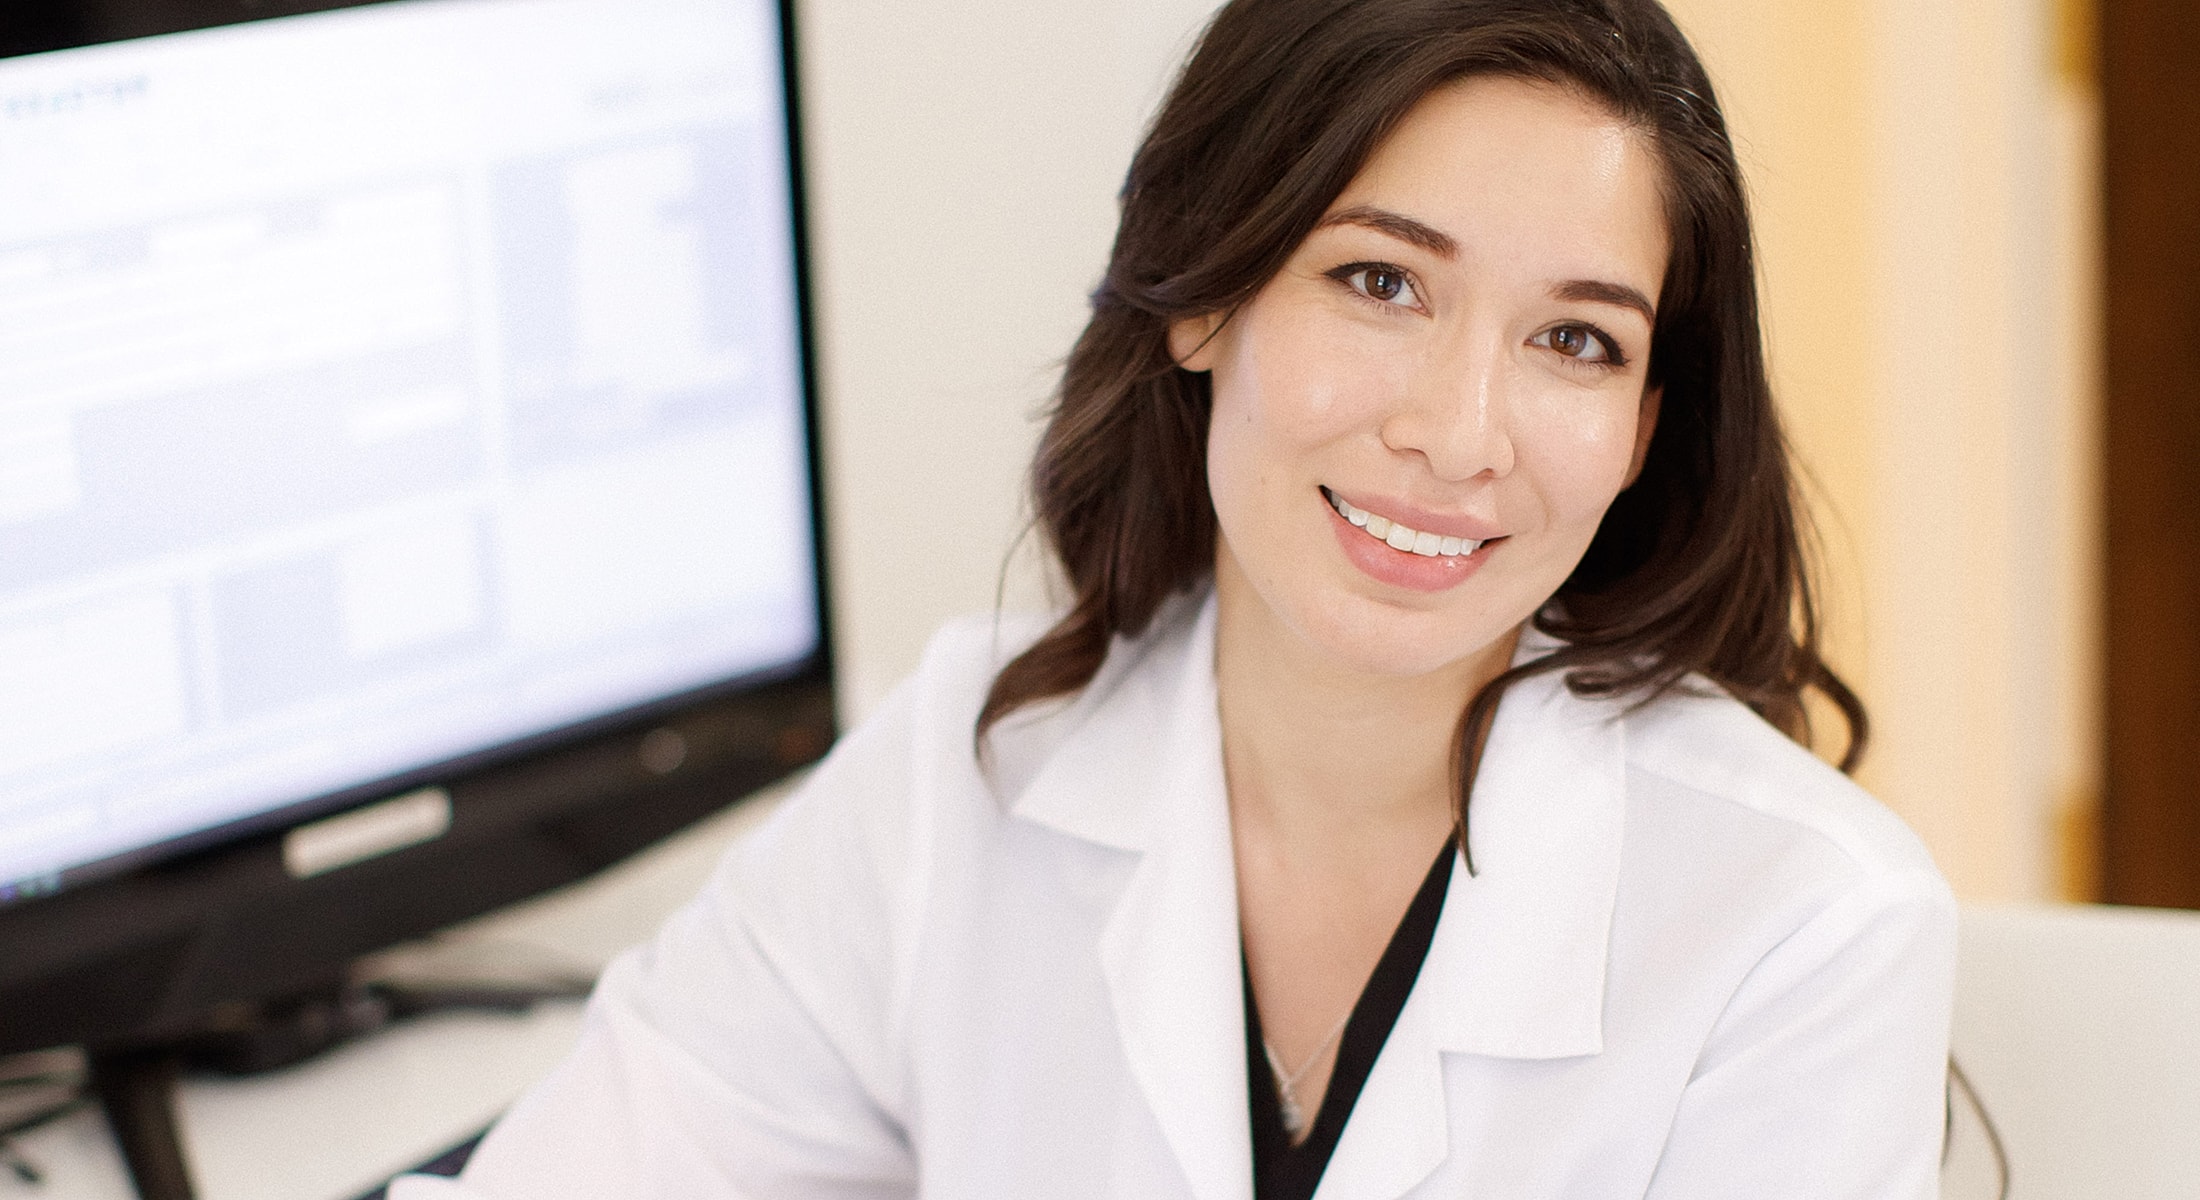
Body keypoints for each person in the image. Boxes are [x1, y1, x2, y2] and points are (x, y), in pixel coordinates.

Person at [394, 0, 1955, 1195]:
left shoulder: (1804, 931)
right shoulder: (976, 764)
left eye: (1576, 341)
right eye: (1382, 282)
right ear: (1207, 290)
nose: (1459, 435)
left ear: (1645, 432)